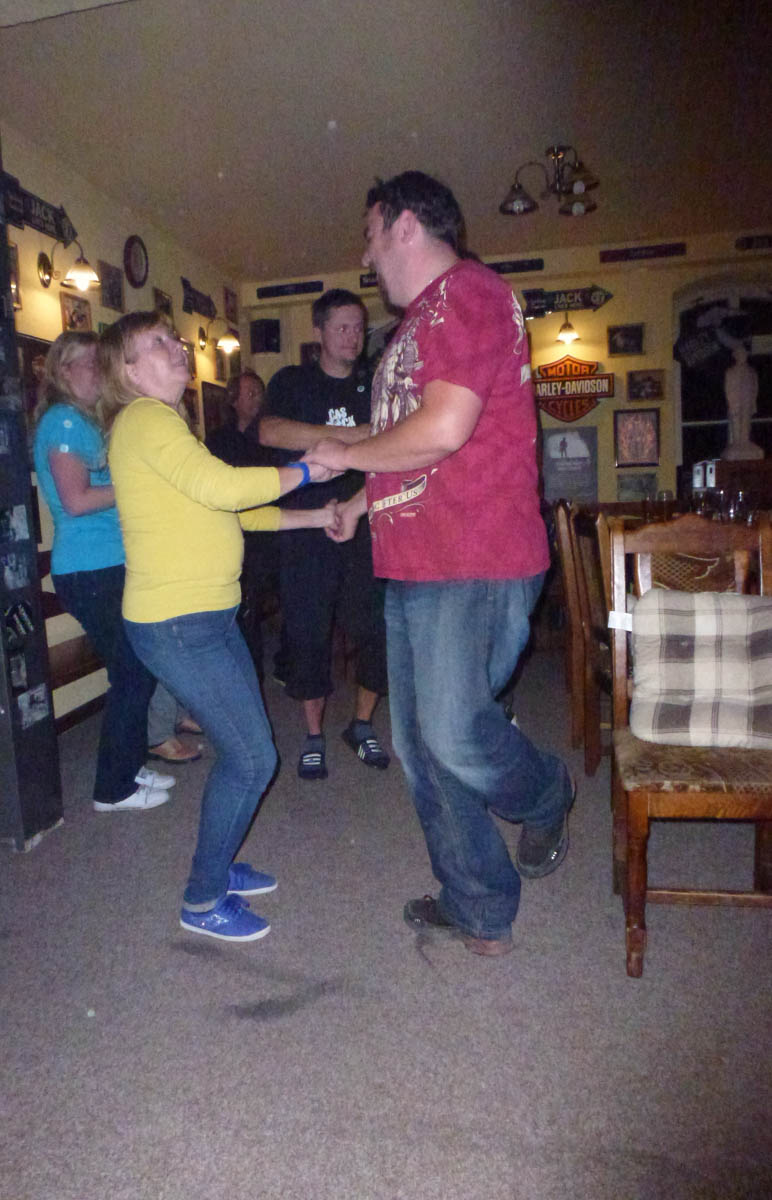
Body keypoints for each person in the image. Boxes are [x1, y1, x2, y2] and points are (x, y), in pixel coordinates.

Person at [307, 171, 574, 955]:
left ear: (404, 226)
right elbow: (406, 441)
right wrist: (362, 501)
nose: (365, 255)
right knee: (423, 749)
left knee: (455, 734)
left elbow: (445, 428)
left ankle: (548, 792)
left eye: (369, 234)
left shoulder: (470, 293)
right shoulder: (411, 328)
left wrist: (345, 452)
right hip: (414, 559)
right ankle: (478, 904)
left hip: (474, 553)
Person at [100, 312, 341, 943]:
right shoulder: (144, 419)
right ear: (128, 370)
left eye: (173, 339)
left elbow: (232, 513)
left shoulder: (166, 425)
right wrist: (309, 470)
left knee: (248, 750)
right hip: (180, 624)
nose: (176, 347)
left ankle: (219, 863)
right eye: (158, 343)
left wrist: (314, 517)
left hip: (207, 616)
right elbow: (224, 488)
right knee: (253, 757)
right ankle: (203, 898)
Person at [32, 331, 177, 811]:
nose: (100, 371)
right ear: (63, 370)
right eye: (90, 363)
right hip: (89, 568)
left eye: (101, 363)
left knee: (136, 669)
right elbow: (75, 501)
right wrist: (136, 483)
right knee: (133, 672)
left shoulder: (84, 422)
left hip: (106, 564)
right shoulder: (63, 421)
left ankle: (127, 768)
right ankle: (112, 789)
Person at [259, 288, 390, 781]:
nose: (352, 337)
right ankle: (313, 735)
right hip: (304, 526)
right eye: (341, 327)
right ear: (318, 332)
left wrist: (321, 439)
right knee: (307, 633)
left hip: (365, 522)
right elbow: (270, 432)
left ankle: (361, 724)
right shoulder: (292, 380)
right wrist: (356, 437)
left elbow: (398, 436)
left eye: (358, 327)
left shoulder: (377, 382)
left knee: (378, 628)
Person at [206, 370, 281, 681]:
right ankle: (250, 675)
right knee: (244, 605)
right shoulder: (218, 440)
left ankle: (285, 661)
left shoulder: (272, 437)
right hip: (234, 532)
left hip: (270, 529)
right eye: (250, 393)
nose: (257, 399)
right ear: (234, 400)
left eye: (259, 393)